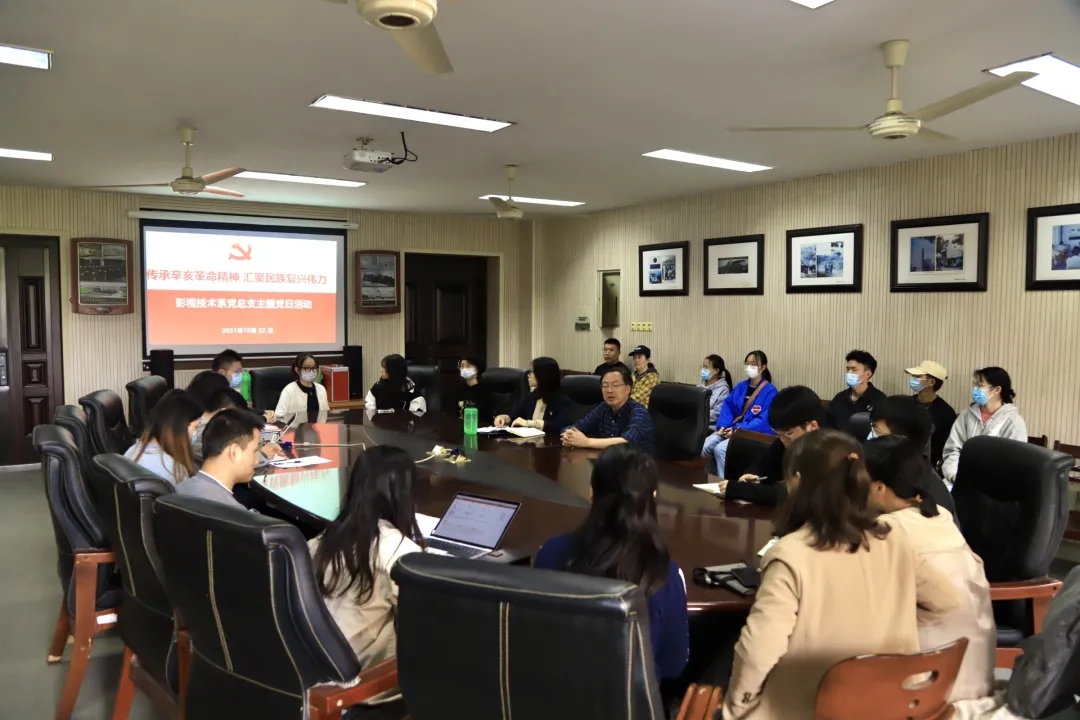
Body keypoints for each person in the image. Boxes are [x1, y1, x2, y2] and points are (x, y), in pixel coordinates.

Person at [724, 430, 960, 720]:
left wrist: (738, 707)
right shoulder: (894, 538)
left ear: (796, 481)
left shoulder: (790, 554)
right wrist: (887, 626)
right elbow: (948, 601)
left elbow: (758, 652)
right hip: (891, 704)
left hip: (809, 708)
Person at [534, 444, 688, 681]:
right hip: (632, 701)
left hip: (552, 692)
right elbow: (673, 666)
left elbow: (538, 639)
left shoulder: (550, 552)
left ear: (591, 493)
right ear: (653, 497)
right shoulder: (665, 575)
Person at [864, 436, 995, 702]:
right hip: (975, 675)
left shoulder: (887, 532)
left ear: (878, 487)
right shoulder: (939, 516)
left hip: (927, 684)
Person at [310, 446, 423, 678]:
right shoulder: (399, 552)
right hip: (363, 681)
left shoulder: (324, 539)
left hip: (315, 666)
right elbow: (426, 619)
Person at [719, 386, 823, 506]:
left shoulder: (826, 453)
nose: (783, 440)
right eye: (779, 434)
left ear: (812, 427)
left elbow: (790, 493)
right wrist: (752, 474)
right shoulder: (783, 442)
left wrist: (740, 490)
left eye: (788, 434)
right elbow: (762, 464)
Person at [869, 395, 956, 520]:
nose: (871, 436)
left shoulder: (929, 493)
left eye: (877, 431)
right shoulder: (886, 468)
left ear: (900, 440)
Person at [941, 367, 1028, 486]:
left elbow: (1014, 463)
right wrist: (954, 475)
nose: (975, 389)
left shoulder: (1013, 422)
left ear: (997, 390)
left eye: (980, 385)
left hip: (994, 486)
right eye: (975, 384)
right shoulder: (966, 415)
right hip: (959, 481)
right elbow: (952, 450)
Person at [701, 350, 776, 476]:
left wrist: (737, 430)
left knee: (720, 450)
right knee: (705, 445)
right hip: (731, 429)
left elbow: (762, 422)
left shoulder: (770, 391)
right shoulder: (741, 387)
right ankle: (710, 479)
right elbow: (728, 406)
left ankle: (724, 483)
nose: (749, 367)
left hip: (752, 434)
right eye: (747, 363)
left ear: (763, 367)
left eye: (753, 364)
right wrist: (723, 426)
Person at [176, 408, 264, 509]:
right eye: (254, 451)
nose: (257, 460)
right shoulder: (234, 512)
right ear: (234, 453)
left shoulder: (178, 490)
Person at [561, 366, 654, 453]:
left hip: (638, 463)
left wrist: (587, 442)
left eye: (615, 385)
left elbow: (627, 442)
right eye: (605, 386)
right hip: (609, 460)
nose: (609, 390)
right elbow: (576, 427)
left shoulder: (639, 411)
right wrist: (569, 436)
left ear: (628, 389)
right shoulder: (603, 407)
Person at [124, 392, 203, 485]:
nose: (196, 433)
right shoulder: (175, 471)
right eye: (196, 427)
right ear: (182, 427)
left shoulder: (133, 450)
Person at [193, 387, 282, 465]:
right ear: (224, 413)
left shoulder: (215, 426)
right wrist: (262, 455)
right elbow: (230, 464)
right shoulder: (200, 434)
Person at [494, 357, 571, 432]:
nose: (528, 375)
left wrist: (531, 424)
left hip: (550, 440)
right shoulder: (533, 396)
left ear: (542, 375)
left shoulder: (562, 400)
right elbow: (515, 415)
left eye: (531, 372)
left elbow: (559, 426)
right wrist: (504, 418)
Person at [906, 360, 957, 469]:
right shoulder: (907, 403)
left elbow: (944, 446)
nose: (913, 379)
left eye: (917, 376)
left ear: (931, 382)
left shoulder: (945, 412)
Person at [826, 350, 887, 430]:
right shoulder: (839, 397)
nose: (849, 373)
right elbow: (828, 424)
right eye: (848, 369)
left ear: (868, 374)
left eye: (854, 370)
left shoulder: (879, 399)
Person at [275, 353, 329, 417]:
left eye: (314, 367)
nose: (311, 371)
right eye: (306, 368)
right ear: (297, 370)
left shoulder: (321, 389)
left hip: (318, 423)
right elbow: (279, 416)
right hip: (295, 424)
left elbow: (325, 414)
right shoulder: (289, 390)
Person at [455, 357, 494, 424]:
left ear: (477, 369)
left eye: (468, 366)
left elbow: (488, 415)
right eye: (462, 366)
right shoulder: (459, 391)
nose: (464, 369)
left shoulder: (486, 389)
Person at [698, 354, 733, 427]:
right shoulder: (701, 384)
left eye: (706, 367)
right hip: (695, 421)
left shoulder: (723, 389)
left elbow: (717, 414)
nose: (703, 369)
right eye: (703, 366)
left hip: (709, 426)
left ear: (716, 370)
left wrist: (697, 415)